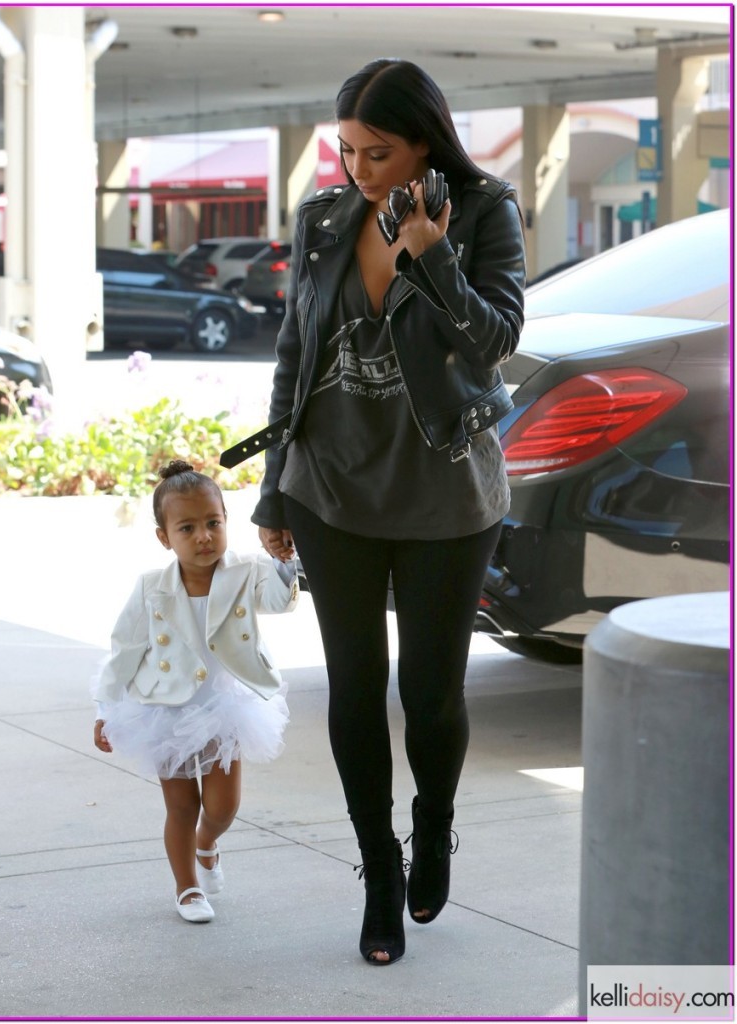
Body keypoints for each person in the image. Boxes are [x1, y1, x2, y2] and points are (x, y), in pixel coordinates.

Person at [252, 57, 526, 965]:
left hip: (446, 490)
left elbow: (496, 341)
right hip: (331, 487)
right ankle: (378, 867)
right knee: (355, 688)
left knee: (432, 695)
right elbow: (295, 346)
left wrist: (433, 254)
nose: (358, 170)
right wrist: (272, 486)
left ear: (426, 144)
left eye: (378, 152)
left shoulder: (485, 211)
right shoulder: (324, 219)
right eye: (347, 150)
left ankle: (432, 822)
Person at [92, 460, 299, 923]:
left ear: (226, 520)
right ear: (165, 537)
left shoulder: (246, 571)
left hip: (225, 708)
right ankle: (187, 888)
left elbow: (276, 600)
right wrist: (106, 708)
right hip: (164, 709)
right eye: (187, 528)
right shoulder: (152, 588)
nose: (204, 536)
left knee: (224, 807)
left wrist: (288, 566)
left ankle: (208, 844)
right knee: (181, 805)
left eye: (213, 523)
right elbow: (124, 649)